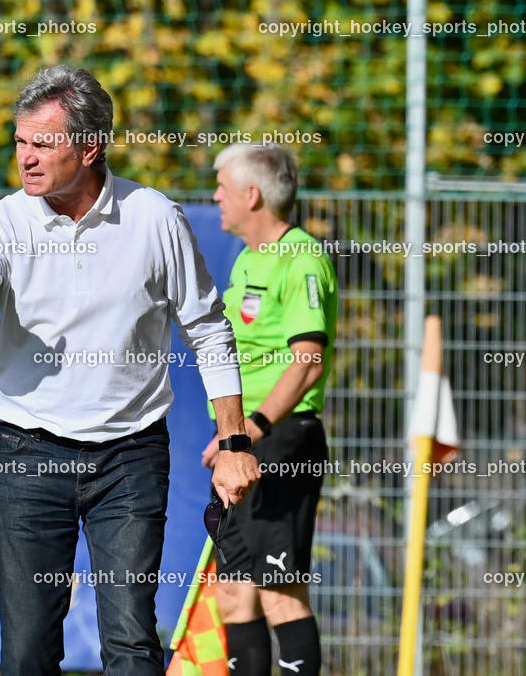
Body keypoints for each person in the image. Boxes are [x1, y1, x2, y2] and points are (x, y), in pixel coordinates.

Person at [0, 65, 259, 676]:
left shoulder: (155, 218)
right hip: (29, 456)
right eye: (20, 142)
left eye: (43, 143)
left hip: (131, 457)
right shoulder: (5, 221)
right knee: (28, 652)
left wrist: (234, 439)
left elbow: (210, 330)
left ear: (90, 148)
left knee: (132, 644)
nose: (26, 158)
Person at [201, 144, 337, 676]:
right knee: (234, 594)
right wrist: (231, 435)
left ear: (251, 195)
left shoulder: (303, 258)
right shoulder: (250, 260)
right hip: (245, 440)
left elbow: (307, 363)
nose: (215, 196)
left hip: (281, 438)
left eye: (222, 187)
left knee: (279, 590)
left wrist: (250, 432)